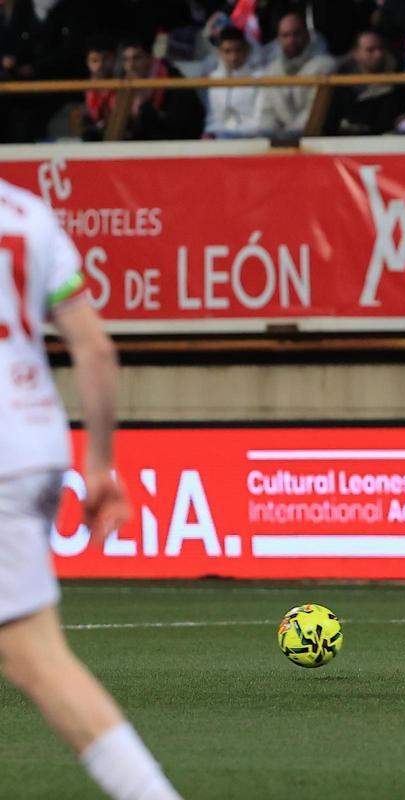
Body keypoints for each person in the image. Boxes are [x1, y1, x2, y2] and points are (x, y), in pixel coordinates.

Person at [0, 178, 183, 798]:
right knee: (32, 654)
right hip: (35, 444)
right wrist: (100, 466)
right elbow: (96, 349)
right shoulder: (28, 213)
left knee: (34, 656)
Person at [256, 11, 335, 137]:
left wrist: (287, 137)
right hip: (280, 140)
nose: (291, 40)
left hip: (315, 139)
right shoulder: (272, 71)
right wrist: (267, 138)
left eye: (296, 34)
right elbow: (268, 112)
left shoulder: (325, 66)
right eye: (285, 35)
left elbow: (313, 112)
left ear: (307, 35)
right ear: (278, 39)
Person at [325, 29, 405, 136]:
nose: (378, 54)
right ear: (356, 54)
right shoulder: (339, 86)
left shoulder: (399, 85)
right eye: (370, 50)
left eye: (381, 48)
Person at [118, 39, 206, 140]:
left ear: (150, 58)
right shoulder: (122, 85)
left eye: (137, 58)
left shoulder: (175, 85)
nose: (130, 66)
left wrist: (145, 107)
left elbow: (177, 130)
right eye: (126, 60)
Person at [204, 25, 262, 138]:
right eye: (227, 51)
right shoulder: (214, 79)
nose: (233, 57)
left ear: (246, 50)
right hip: (220, 140)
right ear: (220, 52)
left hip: (251, 140)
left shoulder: (259, 78)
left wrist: (232, 133)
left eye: (237, 50)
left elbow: (260, 121)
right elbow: (212, 119)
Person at [82, 36, 118, 142]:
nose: (100, 65)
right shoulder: (80, 88)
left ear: (115, 59)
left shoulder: (125, 87)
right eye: (95, 60)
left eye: (106, 59)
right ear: (87, 62)